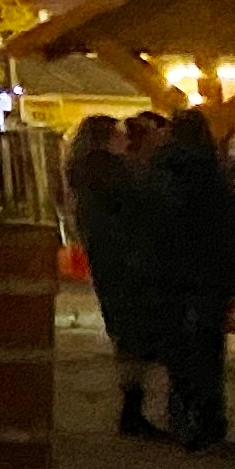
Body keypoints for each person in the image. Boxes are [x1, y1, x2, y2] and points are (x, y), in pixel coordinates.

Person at [133, 107, 235, 455]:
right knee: (207, 355)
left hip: (167, 279)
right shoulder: (211, 178)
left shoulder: (153, 175)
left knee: (179, 354)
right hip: (209, 279)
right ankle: (208, 428)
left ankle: (182, 422)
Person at [63, 114, 167, 437]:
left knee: (125, 333)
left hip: (107, 259)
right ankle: (132, 411)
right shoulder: (113, 172)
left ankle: (132, 409)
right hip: (125, 261)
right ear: (107, 138)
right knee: (134, 333)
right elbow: (141, 207)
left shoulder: (83, 172)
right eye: (119, 135)